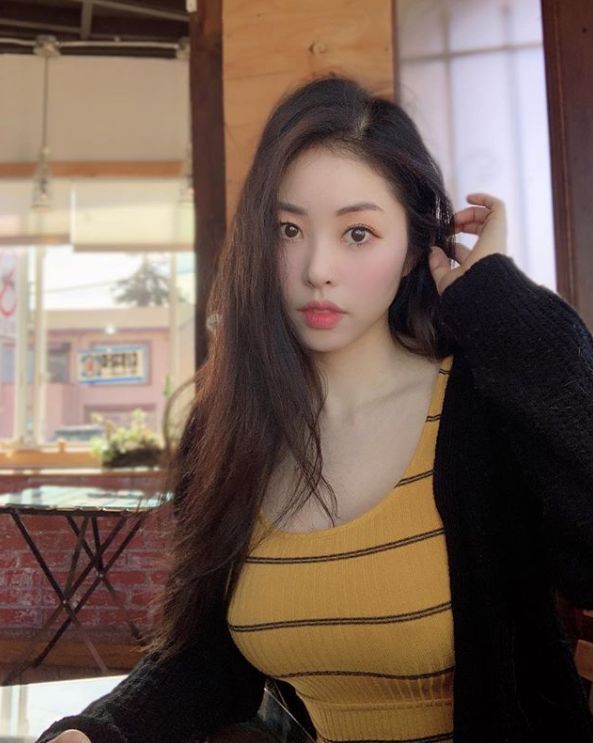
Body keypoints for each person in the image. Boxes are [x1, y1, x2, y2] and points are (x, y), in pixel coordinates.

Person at [36, 75, 593, 743]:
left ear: (414, 249)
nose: (316, 268)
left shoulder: (479, 404)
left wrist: (498, 301)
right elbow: (207, 658)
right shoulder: (229, 427)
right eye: (288, 229)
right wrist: (95, 734)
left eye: (357, 232)